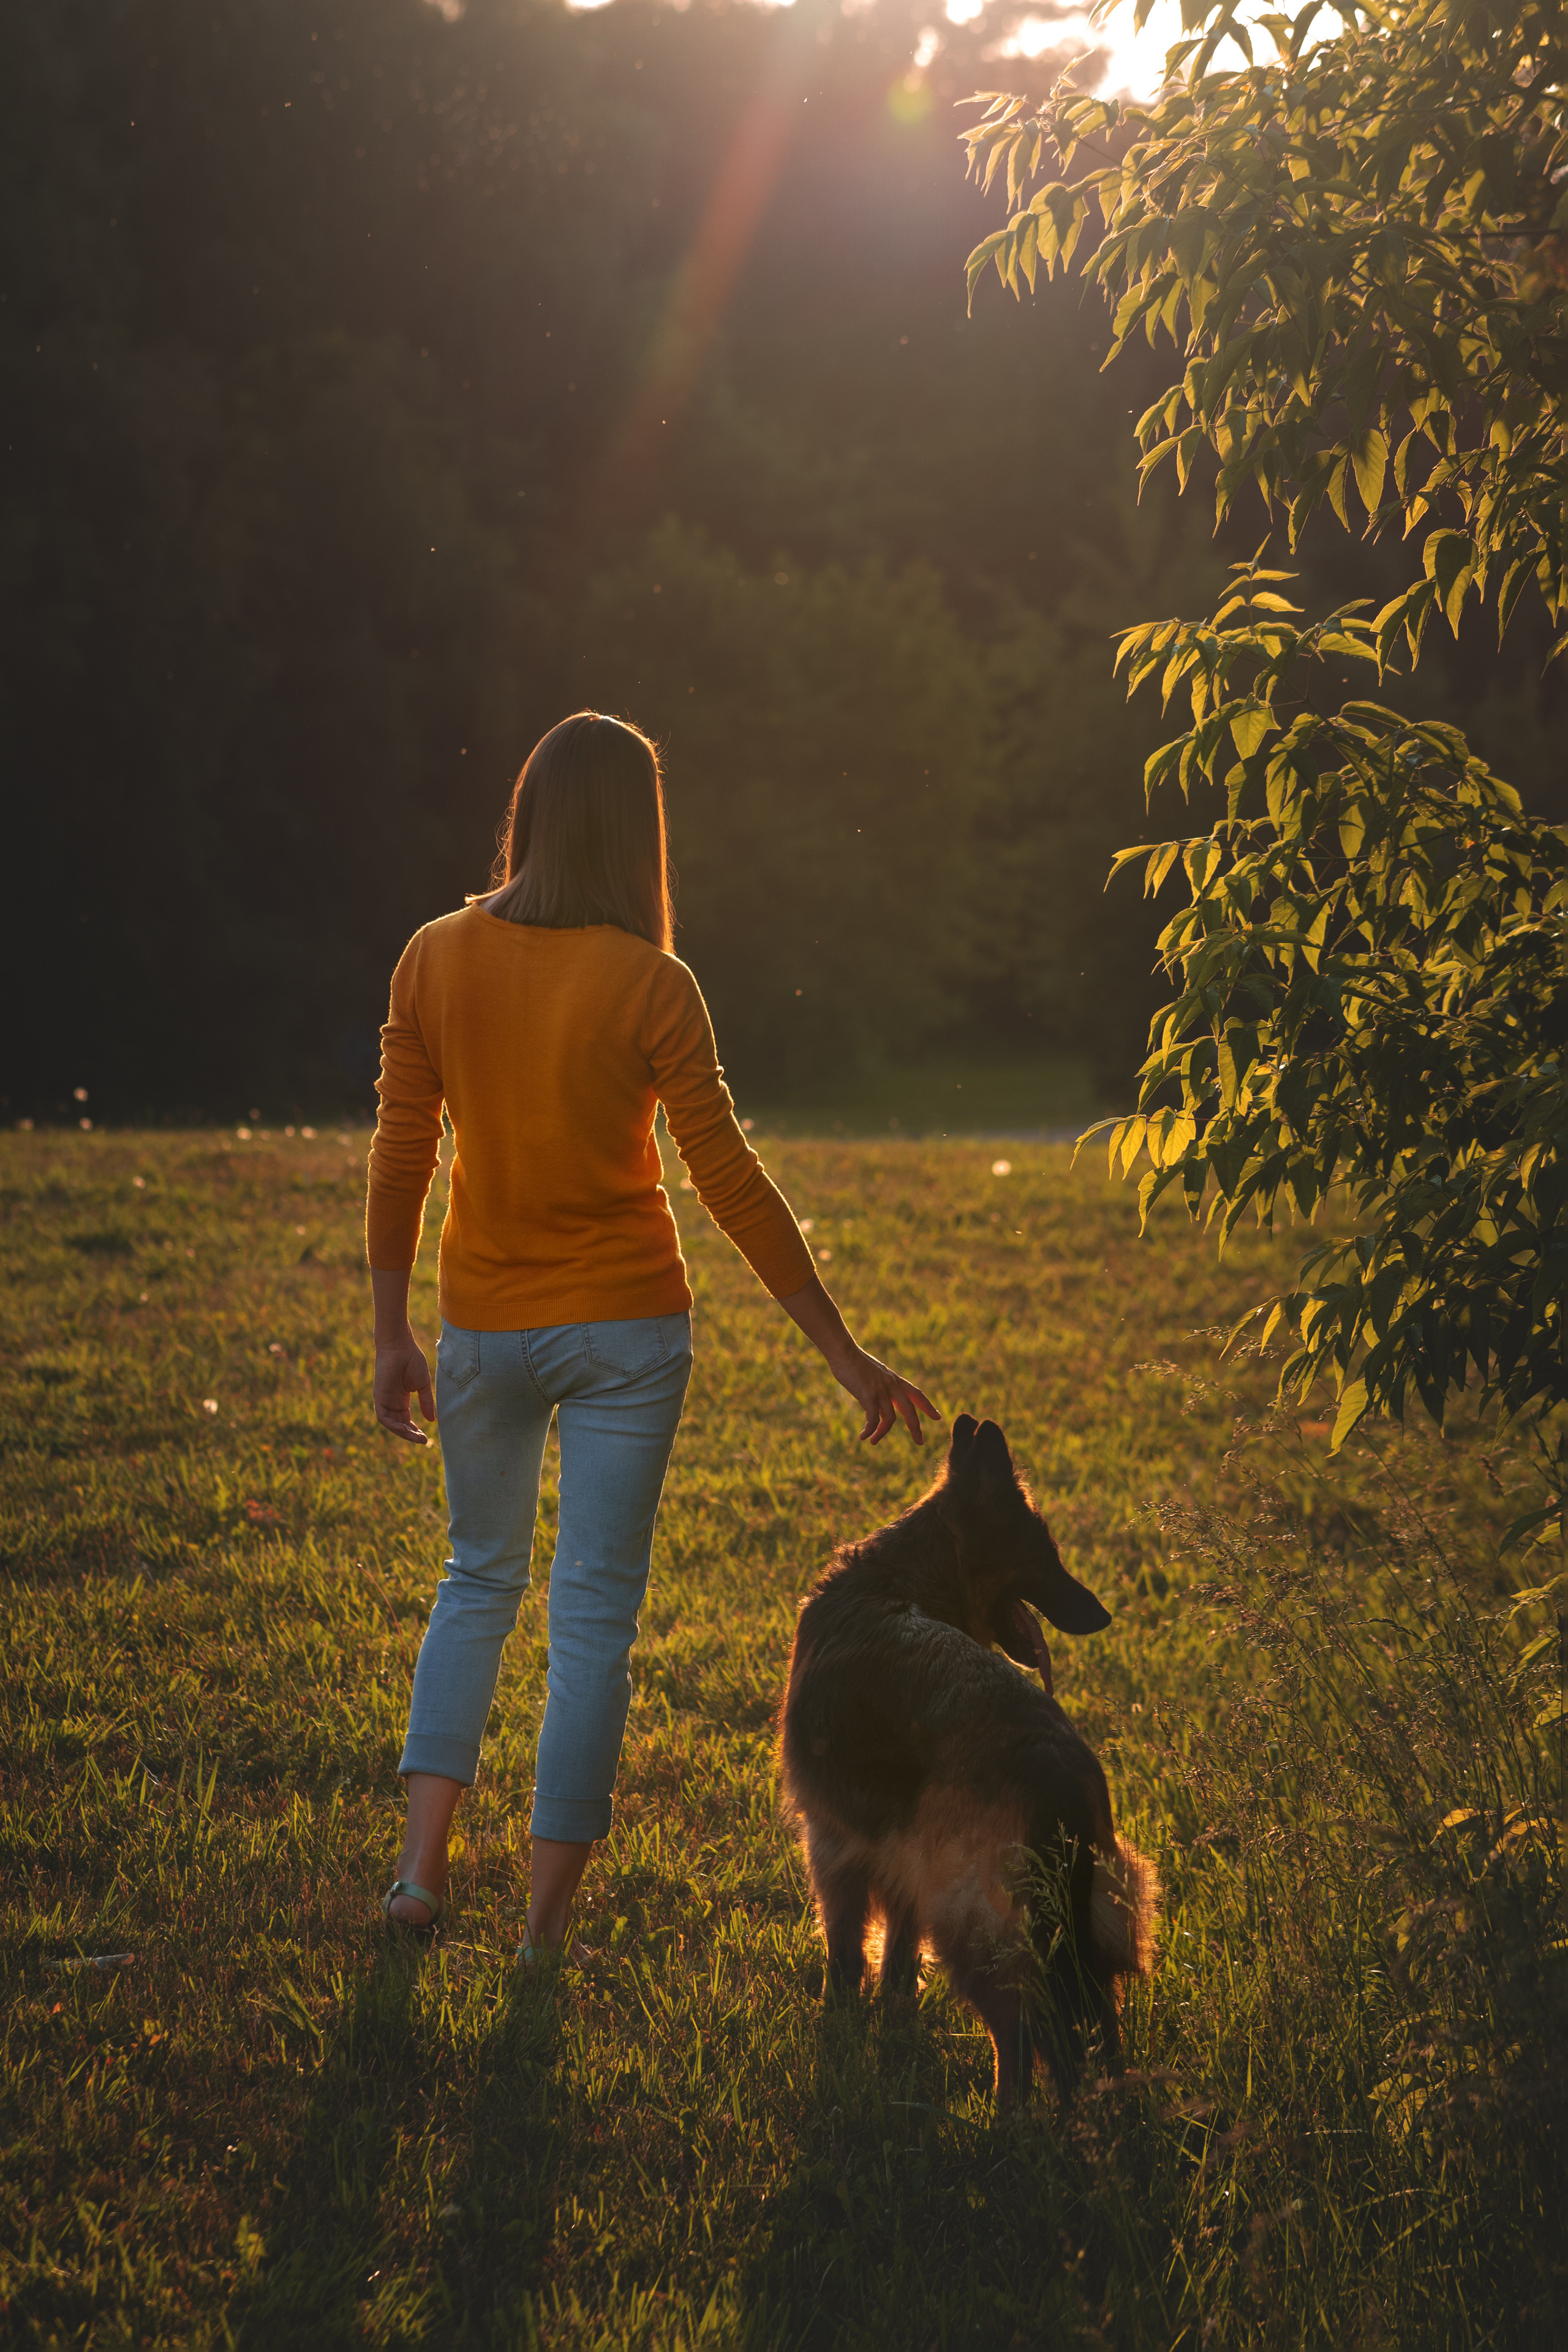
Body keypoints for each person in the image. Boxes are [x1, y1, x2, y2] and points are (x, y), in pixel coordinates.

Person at [366, 710, 940, 1958]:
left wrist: (388, 1330)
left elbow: (402, 1150)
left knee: (474, 1585)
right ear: (639, 836)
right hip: (626, 1327)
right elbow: (726, 1176)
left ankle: (418, 1878)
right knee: (592, 1622)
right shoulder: (651, 982)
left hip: (481, 1327)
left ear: (526, 812)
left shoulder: (431, 957)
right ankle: (540, 1932)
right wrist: (842, 1354)